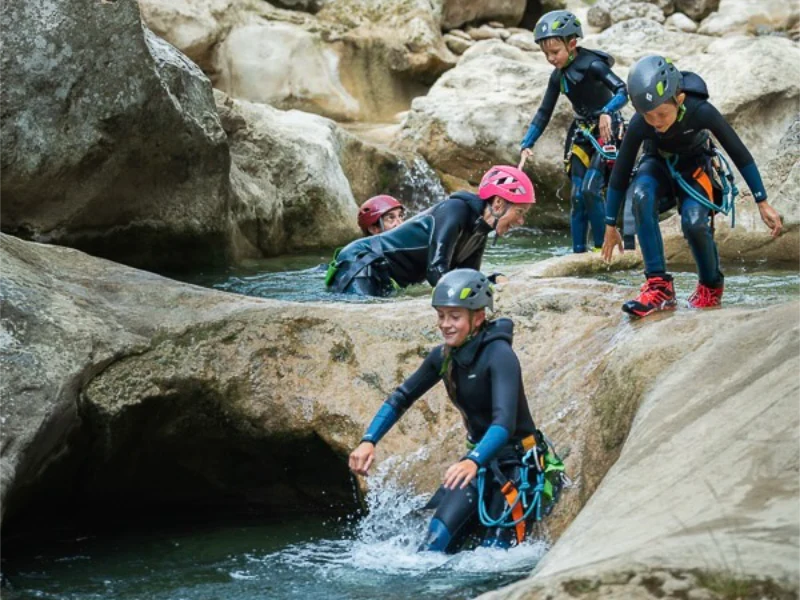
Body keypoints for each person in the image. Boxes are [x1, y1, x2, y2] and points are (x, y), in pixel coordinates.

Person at [349, 269, 565, 553]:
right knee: (431, 546)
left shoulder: (500, 355)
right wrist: (369, 439)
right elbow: (402, 397)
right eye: (441, 316)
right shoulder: (443, 356)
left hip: (517, 465)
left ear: (478, 317)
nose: (445, 325)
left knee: (494, 555)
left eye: (455, 317)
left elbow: (504, 423)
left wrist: (472, 461)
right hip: (478, 465)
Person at [601, 56, 783, 317]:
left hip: (695, 166)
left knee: (695, 223)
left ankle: (710, 285)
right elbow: (619, 173)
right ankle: (658, 287)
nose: (656, 122)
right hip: (656, 165)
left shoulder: (701, 111)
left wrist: (761, 201)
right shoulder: (643, 123)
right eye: (648, 116)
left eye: (662, 114)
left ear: (680, 98)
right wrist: (610, 224)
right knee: (641, 194)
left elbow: (740, 154)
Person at [325, 166, 535, 297]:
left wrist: (492, 280)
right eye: (519, 211)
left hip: (383, 274)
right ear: (498, 203)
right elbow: (436, 271)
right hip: (360, 261)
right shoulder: (455, 210)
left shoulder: (479, 231)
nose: (521, 220)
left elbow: (466, 277)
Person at [520, 10, 628, 254]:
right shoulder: (558, 77)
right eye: (545, 53)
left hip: (606, 133)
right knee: (578, 195)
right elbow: (544, 112)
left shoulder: (593, 66)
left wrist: (607, 111)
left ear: (572, 43)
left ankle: (603, 247)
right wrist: (528, 143)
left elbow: (623, 90)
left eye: (555, 52)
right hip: (581, 134)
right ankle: (578, 252)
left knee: (591, 189)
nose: (550, 58)